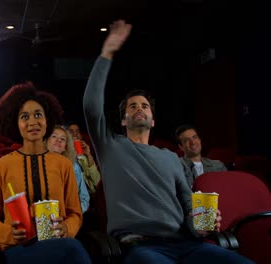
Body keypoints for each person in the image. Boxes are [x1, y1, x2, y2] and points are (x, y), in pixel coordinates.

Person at [83, 19, 253, 264]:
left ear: (152, 121)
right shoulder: (111, 147)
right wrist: (107, 52)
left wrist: (201, 225)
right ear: (123, 120)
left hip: (186, 244)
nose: (139, 108)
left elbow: (187, 201)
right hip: (141, 246)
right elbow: (91, 107)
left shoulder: (170, 157)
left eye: (144, 106)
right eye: (132, 106)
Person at [0, 82, 91, 264]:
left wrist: (67, 228)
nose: (32, 122)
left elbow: (75, 213)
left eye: (38, 115)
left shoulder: (63, 165)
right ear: (15, 123)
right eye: (24, 117)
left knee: (71, 248)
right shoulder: (1, 166)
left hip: (59, 244)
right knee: (73, 250)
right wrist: (10, 234)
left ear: (47, 120)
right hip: (18, 250)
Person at [46, 125, 90, 213]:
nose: (59, 140)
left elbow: (84, 199)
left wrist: (72, 215)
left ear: (65, 147)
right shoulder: (36, 163)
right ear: (46, 141)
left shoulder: (74, 167)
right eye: (54, 136)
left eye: (63, 139)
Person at [66, 121, 101, 194]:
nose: (75, 134)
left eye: (77, 131)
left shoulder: (84, 157)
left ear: (81, 136)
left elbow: (97, 182)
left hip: (91, 196)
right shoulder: (64, 157)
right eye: (71, 131)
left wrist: (88, 155)